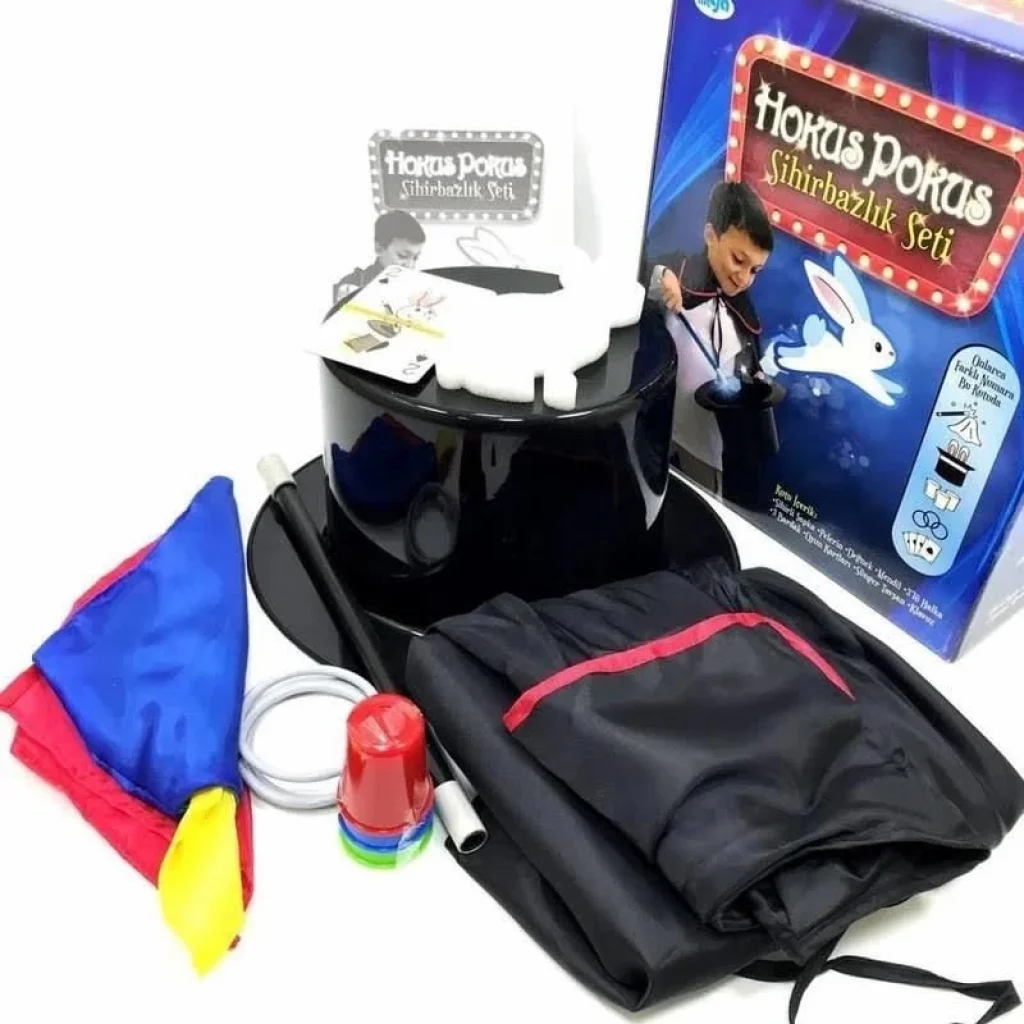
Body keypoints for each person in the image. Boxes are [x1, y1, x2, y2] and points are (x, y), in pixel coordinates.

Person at [646, 180, 774, 497]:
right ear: (710, 236)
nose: (744, 278)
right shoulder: (677, 271)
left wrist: (756, 382)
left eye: (755, 270)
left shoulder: (744, 313)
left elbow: (749, 365)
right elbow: (637, 272)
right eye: (738, 260)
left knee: (700, 502)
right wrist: (660, 277)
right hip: (654, 421)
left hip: (703, 441)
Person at [332, 210, 426, 306]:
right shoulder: (352, 284)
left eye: (415, 258)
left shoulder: (415, 290)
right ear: (379, 248)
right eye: (403, 256)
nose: (410, 265)